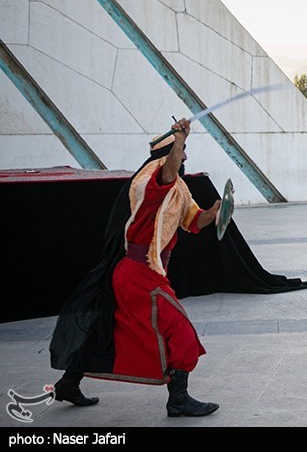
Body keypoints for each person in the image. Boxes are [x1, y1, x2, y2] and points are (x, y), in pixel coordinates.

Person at [50, 118, 221, 417]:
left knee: (106, 330)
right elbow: (165, 175)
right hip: (138, 274)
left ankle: (68, 383)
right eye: (181, 150)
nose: (185, 156)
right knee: (181, 331)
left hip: (145, 274)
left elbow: (194, 221)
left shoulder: (178, 187)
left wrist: (218, 212)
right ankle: (178, 400)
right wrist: (180, 137)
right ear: (168, 152)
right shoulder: (150, 178)